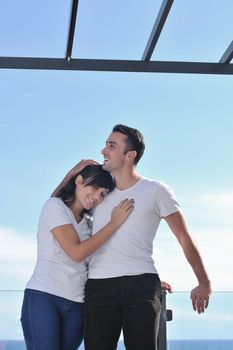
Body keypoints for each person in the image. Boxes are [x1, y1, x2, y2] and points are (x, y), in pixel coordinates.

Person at [54, 124, 212, 350]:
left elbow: (184, 238)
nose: (103, 151)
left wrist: (203, 282)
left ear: (130, 155)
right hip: (99, 286)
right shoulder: (97, 193)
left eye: (111, 145)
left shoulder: (157, 190)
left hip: (142, 285)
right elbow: (56, 208)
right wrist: (70, 174)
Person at [20, 164, 134, 350]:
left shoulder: (91, 226)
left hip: (78, 305)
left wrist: (143, 277)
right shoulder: (54, 206)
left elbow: (107, 259)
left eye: (103, 193)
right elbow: (76, 252)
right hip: (44, 298)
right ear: (79, 181)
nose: (97, 197)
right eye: (95, 188)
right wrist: (115, 223)